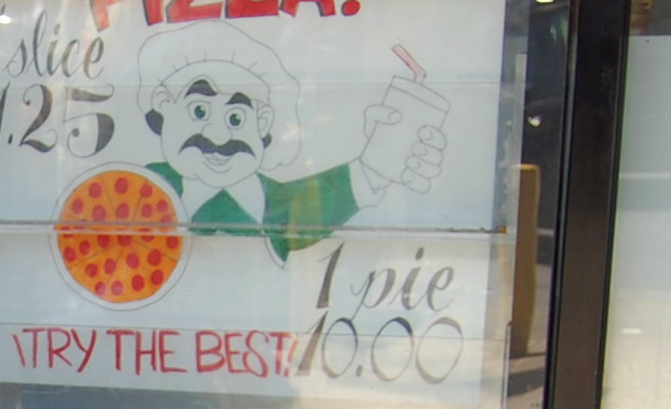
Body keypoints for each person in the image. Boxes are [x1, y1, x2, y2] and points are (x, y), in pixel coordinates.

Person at [137, 22, 446, 262]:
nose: (218, 136)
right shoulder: (139, 186)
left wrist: (376, 167)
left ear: (263, 123)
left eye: (236, 118)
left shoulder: (279, 203)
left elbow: (328, 198)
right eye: (199, 111)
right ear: (164, 105)